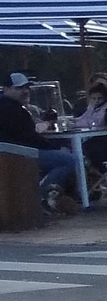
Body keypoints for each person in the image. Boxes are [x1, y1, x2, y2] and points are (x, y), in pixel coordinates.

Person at [2, 74, 78, 210]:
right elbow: (28, 138)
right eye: (19, 88)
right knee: (68, 160)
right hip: (16, 154)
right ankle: (40, 198)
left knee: (62, 157)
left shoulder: (11, 106)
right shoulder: (10, 109)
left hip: (12, 151)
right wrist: (56, 146)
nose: (25, 91)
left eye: (26, 87)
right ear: (6, 89)